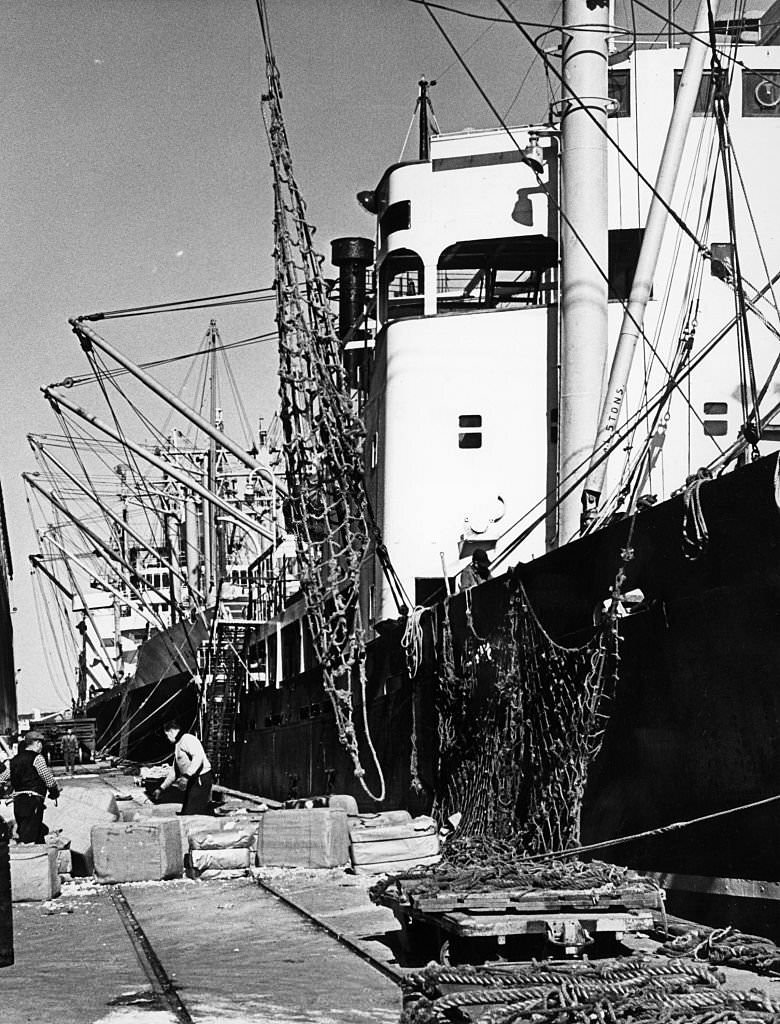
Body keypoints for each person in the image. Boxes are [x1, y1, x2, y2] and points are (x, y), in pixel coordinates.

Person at [0, 731, 60, 843]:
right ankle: (32, 857)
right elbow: (48, 779)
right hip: (33, 802)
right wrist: (55, 792)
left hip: (18, 803)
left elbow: (2, 778)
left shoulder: (13, 761)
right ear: (37, 743)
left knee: (25, 831)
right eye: (41, 743)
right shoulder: (37, 758)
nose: (41, 746)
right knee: (32, 836)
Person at [152, 720, 212, 816]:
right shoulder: (178, 744)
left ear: (171, 731)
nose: (167, 738)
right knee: (187, 811)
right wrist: (161, 788)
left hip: (201, 778)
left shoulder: (187, 739)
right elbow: (174, 771)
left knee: (193, 813)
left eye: (167, 735)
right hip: (192, 780)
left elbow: (198, 757)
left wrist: (186, 776)